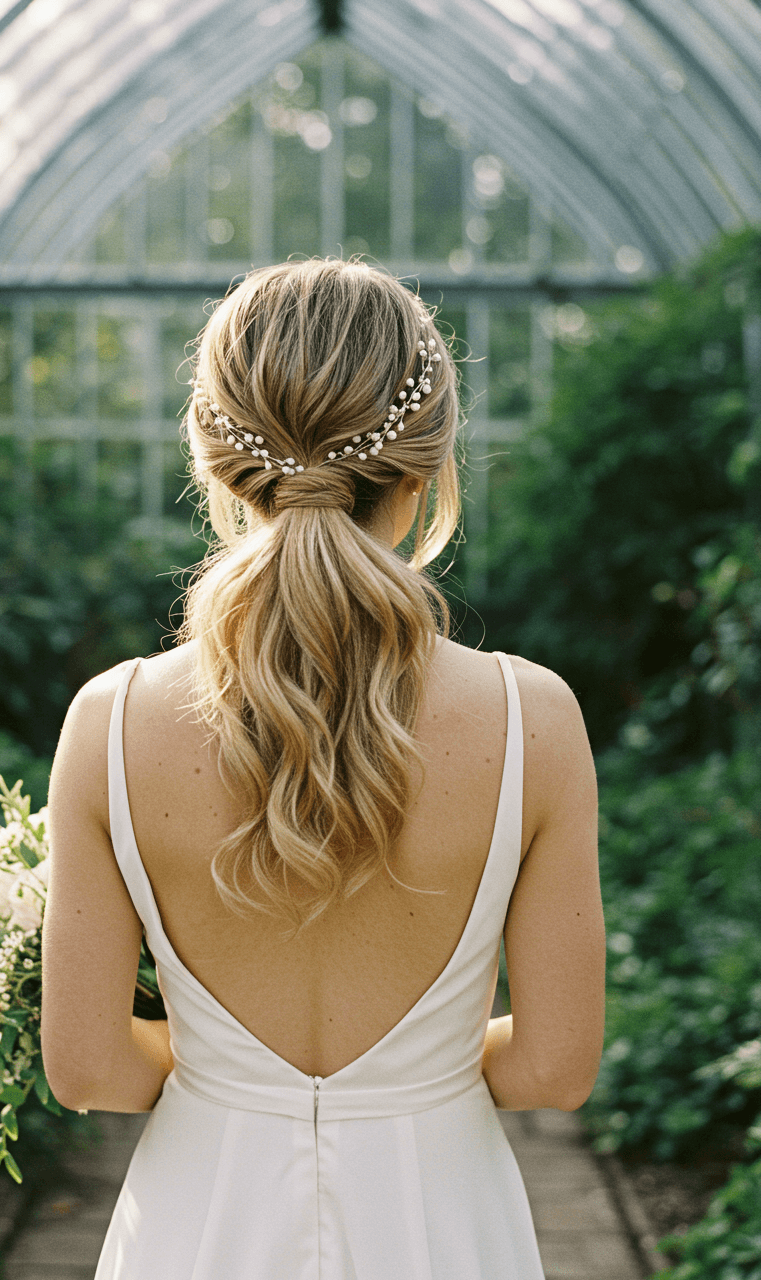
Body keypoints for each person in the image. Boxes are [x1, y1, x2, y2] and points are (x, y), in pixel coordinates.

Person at [41, 258, 606, 1279]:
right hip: (444, 1225)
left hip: (198, 1226)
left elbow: (88, 1069)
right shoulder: (534, 720)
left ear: (217, 465)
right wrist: (416, 1071)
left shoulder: (109, 721)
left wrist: (225, 1070)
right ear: (427, 468)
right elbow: (552, 1069)